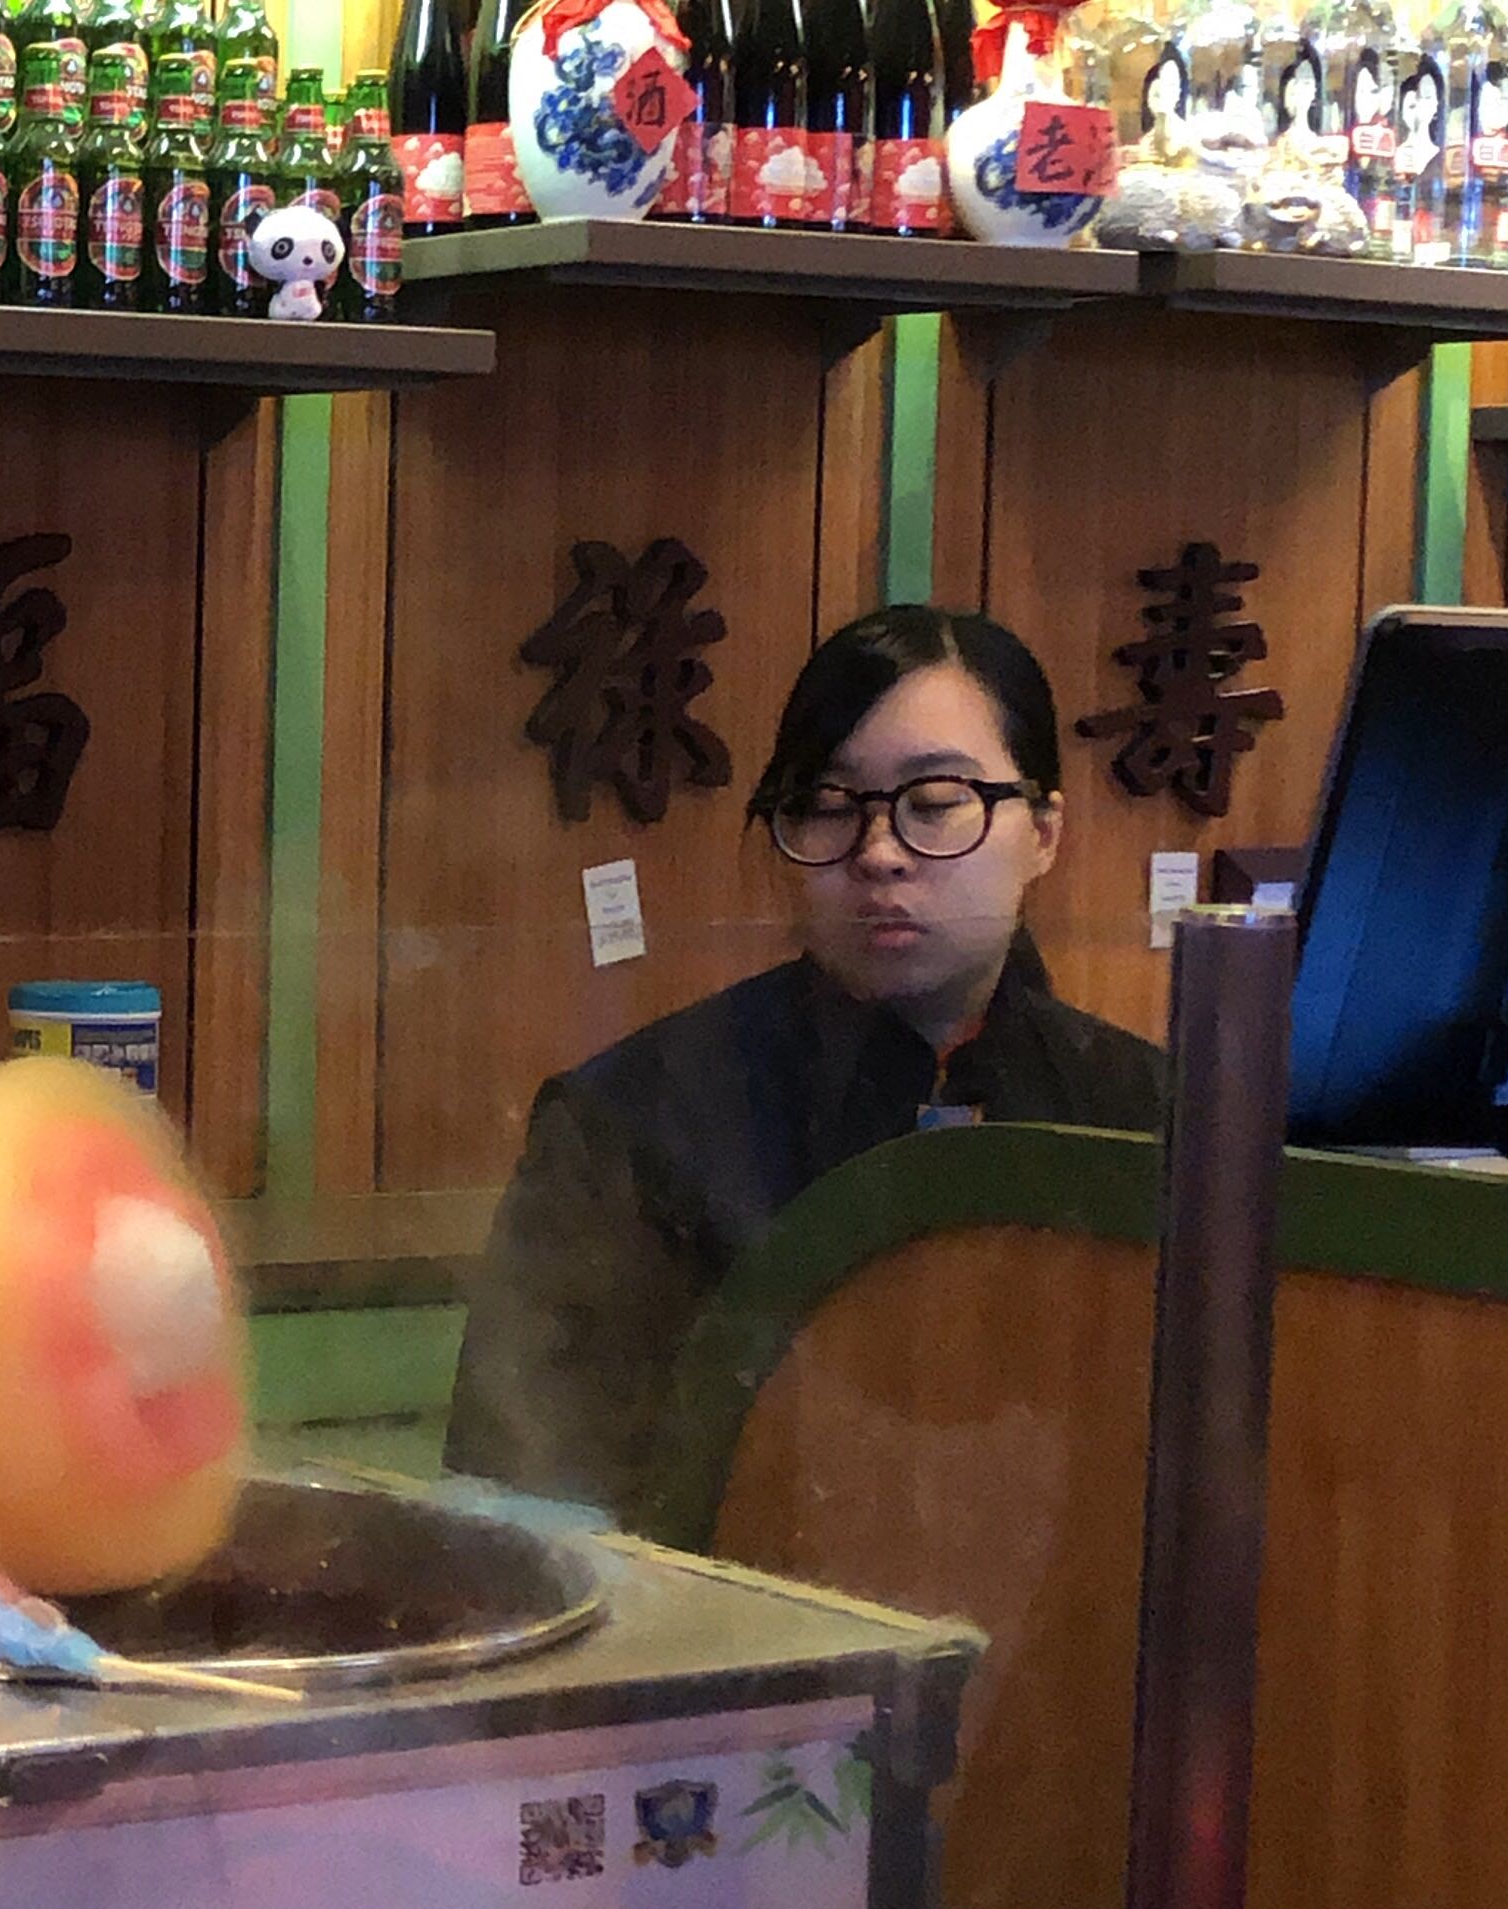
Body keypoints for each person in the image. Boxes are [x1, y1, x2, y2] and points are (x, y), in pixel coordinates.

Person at [445, 607, 1167, 1532]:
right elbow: (526, 1499)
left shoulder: (1151, 1113)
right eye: (827, 807)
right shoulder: (628, 1121)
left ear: (1046, 833)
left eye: (935, 802)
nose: (878, 853)